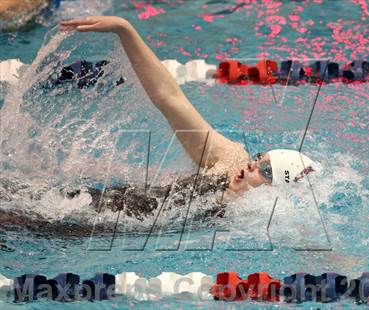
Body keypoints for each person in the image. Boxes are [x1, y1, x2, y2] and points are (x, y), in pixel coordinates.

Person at [60, 16, 316, 198]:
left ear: (277, 190)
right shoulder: (230, 159)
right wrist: (125, 29)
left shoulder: (256, 218)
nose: (252, 165)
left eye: (266, 170)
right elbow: (170, 99)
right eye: (260, 157)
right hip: (85, 206)